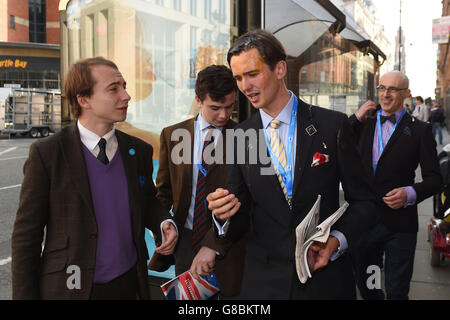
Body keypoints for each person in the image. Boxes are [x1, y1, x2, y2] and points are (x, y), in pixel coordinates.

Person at [206, 29, 377, 299]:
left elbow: (365, 202)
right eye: (238, 77)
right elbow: (239, 220)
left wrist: (337, 241)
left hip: (325, 280)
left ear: (280, 69)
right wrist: (222, 216)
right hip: (264, 284)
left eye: (252, 74)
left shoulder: (331, 125)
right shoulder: (240, 136)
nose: (244, 86)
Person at [11, 57, 178, 300]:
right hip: (71, 288)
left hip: (129, 285)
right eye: (114, 88)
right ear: (83, 99)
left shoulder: (137, 151)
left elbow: (147, 201)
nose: (126, 96)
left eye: (124, 86)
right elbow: (27, 236)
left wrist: (164, 222)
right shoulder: (47, 154)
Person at [148, 65, 247, 297]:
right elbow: (163, 194)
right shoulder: (172, 136)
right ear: (198, 100)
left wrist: (213, 243)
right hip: (185, 243)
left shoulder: (246, 137)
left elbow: (247, 202)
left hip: (231, 243)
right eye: (215, 107)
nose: (223, 115)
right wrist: (164, 229)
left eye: (229, 107)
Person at [349, 71, 442, 300]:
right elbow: (337, 144)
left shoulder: (421, 130)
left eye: (392, 89)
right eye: (382, 88)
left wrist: (409, 193)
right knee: (367, 285)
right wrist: (354, 119)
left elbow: (435, 180)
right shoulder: (364, 124)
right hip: (366, 222)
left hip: (399, 226)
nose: (385, 94)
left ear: (406, 94)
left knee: (397, 289)